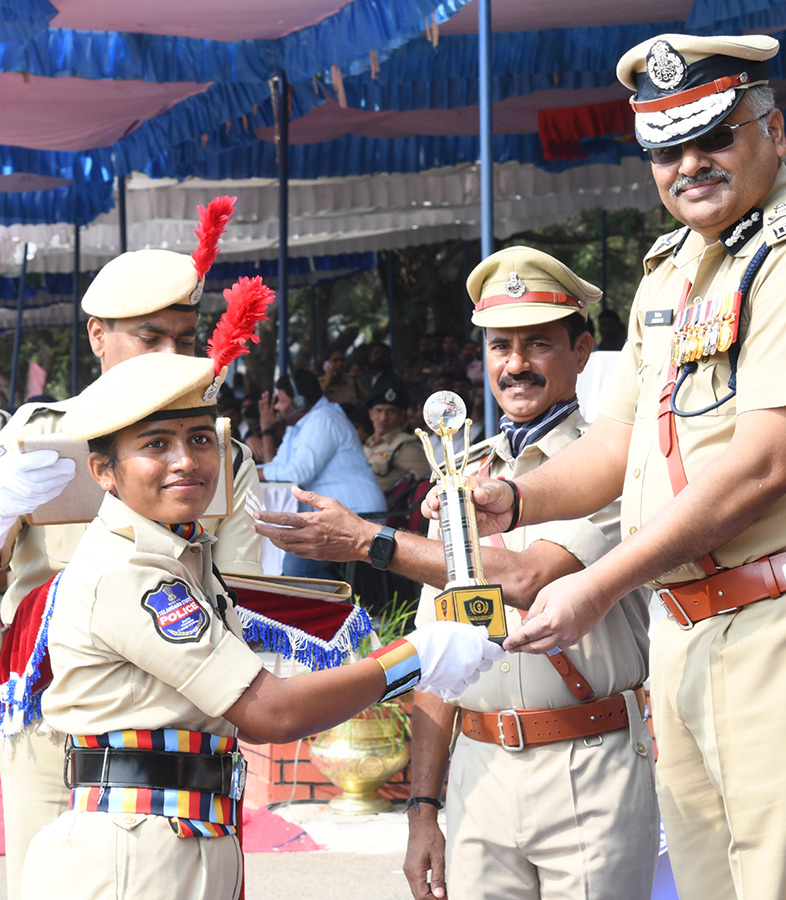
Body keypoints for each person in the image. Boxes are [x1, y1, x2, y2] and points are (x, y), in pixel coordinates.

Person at [440, 35, 786, 900]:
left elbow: (763, 466)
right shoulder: (676, 269)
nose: (689, 165)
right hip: (694, 625)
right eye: (665, 148)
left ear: (773, 130)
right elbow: (616, 446)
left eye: (713, 138)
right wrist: (509, 498)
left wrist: (596, 583)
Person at [252, 247, 657, 900]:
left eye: (539, 345)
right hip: (480, 772)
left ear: (582, 351)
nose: (516, 365)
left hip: (589, 764)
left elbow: (527, 578)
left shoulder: (609, 465)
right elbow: (438, 659)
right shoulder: (460, 472)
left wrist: (369, 543)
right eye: (501, 345)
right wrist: (422, 811)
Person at [21, 351, 501, 900]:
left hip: (179, 834)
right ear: (104, 471)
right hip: (134, 852)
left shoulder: (181, 552)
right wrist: (415, 658)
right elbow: (270, 712)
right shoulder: (131, 569)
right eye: (156, 444)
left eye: (201, 439)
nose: (186, 460)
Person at [0, 213, 266, 900]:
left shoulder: (215, 453)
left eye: (183, 339)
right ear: (98, 335)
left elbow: (245, 594)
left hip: (165, 718)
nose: (169, 355)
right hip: (51, 709)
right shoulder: (38, 434)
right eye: (150, 338)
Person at [257, 368, 386, 577]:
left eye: (280, 400)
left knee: (293, 567)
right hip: (337, 515)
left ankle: (342, 608)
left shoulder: (324, 418)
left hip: (359, 515)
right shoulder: (297, 425)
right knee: (284, 555)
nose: (277, 407)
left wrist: (255, 473)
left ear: (299, 401)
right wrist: (245, 470)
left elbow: (298, 473)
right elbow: (278, 466)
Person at [362, 381, 430, 494]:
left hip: (383, 509)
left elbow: (426, 484)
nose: (383, 418)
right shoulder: (368, 444)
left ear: (401, 415)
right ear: (371, 414)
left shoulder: (405, 446)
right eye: (379, 411)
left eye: (391, 411)